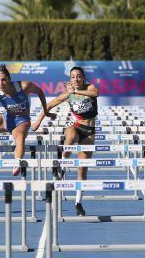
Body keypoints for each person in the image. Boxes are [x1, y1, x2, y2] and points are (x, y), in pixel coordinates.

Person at [33, 66, 98, 216]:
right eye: (73, 77)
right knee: (70, 135)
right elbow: (48, 105)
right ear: (70, 79)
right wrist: (39, 122)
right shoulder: (67, 95)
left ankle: (78, 203)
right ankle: (62, 166)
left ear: (83, 78)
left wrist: (74, 91)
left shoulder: (90, 88)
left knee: (83, 169)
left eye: (79, 76)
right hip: (76, 126)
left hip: (89, 132)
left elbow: (95, 93)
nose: (76, 79)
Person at [0, 64, 53, 176]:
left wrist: (45, 111)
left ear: (9, 79)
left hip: (22, 121)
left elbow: (40, 92)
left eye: (3, 80)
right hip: (5, 119)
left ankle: (17, 162)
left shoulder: (24, 86)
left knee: (20, 138)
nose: (0, 83)